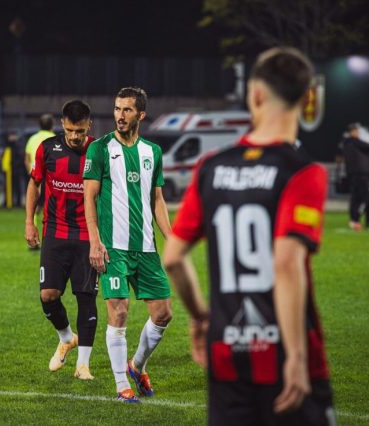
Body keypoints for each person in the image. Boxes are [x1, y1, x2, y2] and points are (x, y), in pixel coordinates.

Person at [163, 47, 335, 425]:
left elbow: (173, 258)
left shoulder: (211, 168)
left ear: (255, 94)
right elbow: (286, 263)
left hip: (226, 350)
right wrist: (297, 356)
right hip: (283, 352)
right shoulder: (302, 171)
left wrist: (200, 317)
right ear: (307, 99)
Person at [83, 87, 173, 403]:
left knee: (163, 313)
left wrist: (172, 238)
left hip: (146, 247)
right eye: (117, 109)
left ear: (141, 115)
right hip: (113, 247)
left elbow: (157, 200)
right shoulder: (99, 149)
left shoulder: (153, 152)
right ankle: (122, 385)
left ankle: (137, 366)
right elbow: (89, 197)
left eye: (127, 110)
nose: (120, 116)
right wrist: (95, 241)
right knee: (119, 311)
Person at [25, 100, 98, 380]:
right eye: (70, 130)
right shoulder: (47, 148)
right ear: (62, 124)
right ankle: (67, 338)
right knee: (48, 296)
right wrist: (29, 222)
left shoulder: (99, 151)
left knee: (86, 297)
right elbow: (35, 183)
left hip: (87, 234)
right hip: (55, 232)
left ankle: (83, 365)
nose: (75, 136)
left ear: (89, 125)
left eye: (80, 131)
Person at [341, 122, 369, 230]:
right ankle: (365, 221)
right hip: (362, 174)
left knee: (356, 198)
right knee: (365, 197)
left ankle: (354, 220)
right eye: (355, 130)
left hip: (353, 174)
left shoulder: (346, 143)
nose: (357, 132)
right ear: (351, 132)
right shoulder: (354, 142)